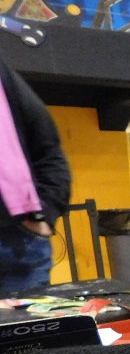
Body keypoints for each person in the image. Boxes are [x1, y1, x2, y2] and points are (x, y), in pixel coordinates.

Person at [0, 57, 71, 294]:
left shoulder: (3, 77)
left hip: (18, 241)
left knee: (33, 330)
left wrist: (45, 215)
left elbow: (49, 149)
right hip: (20, 240)